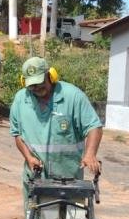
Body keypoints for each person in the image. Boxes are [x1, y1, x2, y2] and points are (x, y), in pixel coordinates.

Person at [9, 56, 103, 203]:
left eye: (40, 83)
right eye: (32, 85)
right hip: (36, 178)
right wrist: (28, 158)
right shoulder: (21, 100)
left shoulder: (72, 96)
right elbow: (17, 135)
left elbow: (94, 126)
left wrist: (90, 154)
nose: (37, 88)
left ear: (51, 75)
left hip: (69, 179)